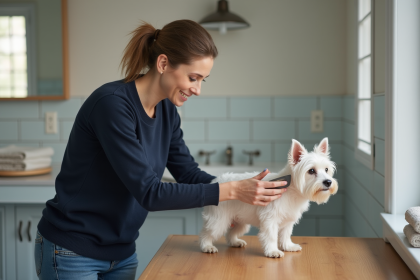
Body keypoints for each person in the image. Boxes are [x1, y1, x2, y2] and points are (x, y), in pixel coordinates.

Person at [34, 19, 287, 280]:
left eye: (203, 80)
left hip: (121, 254)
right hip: (72, 252)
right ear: (163, 64)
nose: (197, 90)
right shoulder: (111, 106)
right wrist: (230, 190)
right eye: (193, 78)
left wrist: (234, 200)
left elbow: (188, 173)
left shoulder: (166, 111)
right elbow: (150, 193)